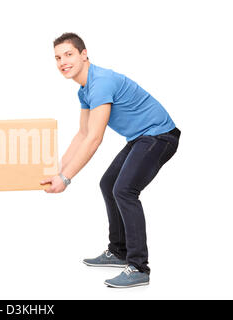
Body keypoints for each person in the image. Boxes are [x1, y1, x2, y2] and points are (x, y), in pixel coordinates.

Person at [41, 33, 180, 288]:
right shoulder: (85, 90)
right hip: (141, 138)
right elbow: (82, 134)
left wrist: (66, 179)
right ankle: (118, 251)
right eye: (58, 58)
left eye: (69, 54)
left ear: (84, 55)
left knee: (124, 190)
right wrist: (58, 169)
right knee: (109, 184)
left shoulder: (102, 81)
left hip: (160, 136)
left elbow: (94, 138)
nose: (63, 62)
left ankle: (139, 266)